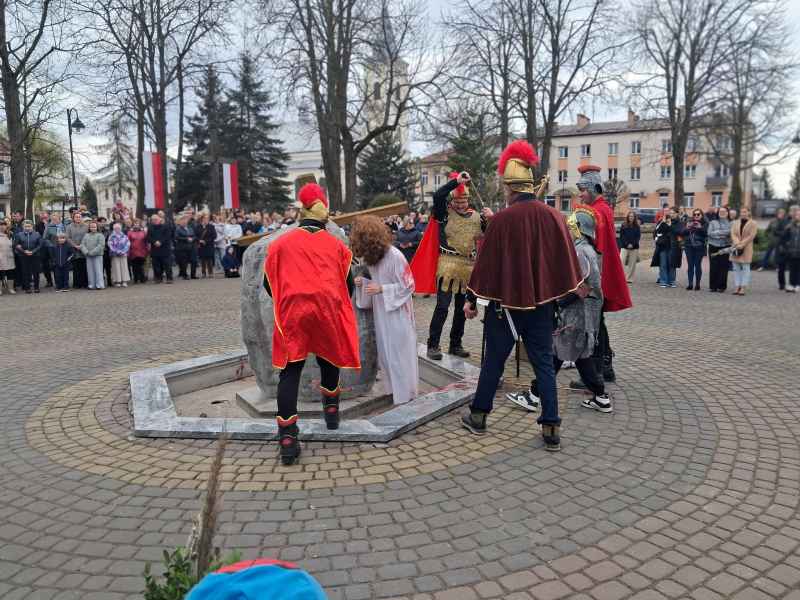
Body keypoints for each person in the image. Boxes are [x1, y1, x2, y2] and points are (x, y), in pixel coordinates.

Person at [460, 140, 583, 451]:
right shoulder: (554, 216)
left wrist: (471, 299)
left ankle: (478, 415)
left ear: (510, 187)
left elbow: (486, 264)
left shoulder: (501, 220)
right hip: (542, 306)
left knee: (493, 362)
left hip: (505, 308)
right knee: (544, 364)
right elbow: (562, 260)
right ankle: (551, 427)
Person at [264, 183, 360, 466]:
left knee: (290, 370)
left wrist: (287, 300)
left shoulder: (280, 244)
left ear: (301, 211)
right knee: (329, 359)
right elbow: (348, 285)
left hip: (293, 312)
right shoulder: (337, 246)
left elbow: (269, 283)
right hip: (326, 310)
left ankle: (287, 437)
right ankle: (331, 414)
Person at [509, 206, 611, 414]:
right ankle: (601, 397)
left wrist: (558, 303)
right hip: (580, 314)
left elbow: (581, 287)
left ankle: (534, 396)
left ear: (578, 228)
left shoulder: (581, 252)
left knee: (556, 353)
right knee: (580, 357)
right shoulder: (586, 249)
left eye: (570, 227)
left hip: (577, 314)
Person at [411, 172, 492, 361]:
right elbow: (438, 195)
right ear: (452, 201)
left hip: (468, 267)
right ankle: (433, 344)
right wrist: (456, 182)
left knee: (461, 310)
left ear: (468, 201)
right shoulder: (444, 214)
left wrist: (491, 218)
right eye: (457, 201)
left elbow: (491, 234)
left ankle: (455, 344)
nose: (461, 205)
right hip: (447, 265)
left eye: (464, 201)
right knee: (442, 307)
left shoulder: (477, 217)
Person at [572, 164, 632, 383]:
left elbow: (594, 249)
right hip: (599, 276)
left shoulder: (597, 212)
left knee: (593, 325)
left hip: (595, 277)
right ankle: (605, 367)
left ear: (593, 188)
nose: (580, 194)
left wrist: (587, 281)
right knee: (598, 322)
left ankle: (596, 373)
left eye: (583, 190)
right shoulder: (601, 209)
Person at [352, 216, 418, 405]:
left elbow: (409, 285)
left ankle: (406, 394)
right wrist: (363, 283)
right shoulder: (373, 258)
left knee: (399, 353)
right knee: (386, 353)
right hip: (382, 312)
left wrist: (382, 289)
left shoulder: (395, 256)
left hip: (398, 312)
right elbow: (376, 283)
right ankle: (394, 391)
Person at [730, 206, 757, 296]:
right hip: (736, 247)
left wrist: (742, 244)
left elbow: (751, 235)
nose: (743, 214)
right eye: (741, 212)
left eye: (745, 212)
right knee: (736, 268)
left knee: (745, 268)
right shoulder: (735, 222)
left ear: (749, 212)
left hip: (747, 247)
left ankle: (743, 287)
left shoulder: (753, 223)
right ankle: (737, 285)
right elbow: (733, 233)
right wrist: (737, 243)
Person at [652, 208, 681, 288]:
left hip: (673, 247)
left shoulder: (678, 222)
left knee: (672, 264)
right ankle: (663, 281)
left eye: (673, 213)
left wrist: (670, 225)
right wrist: (663, 222)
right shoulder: (663, 221)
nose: (671, 214)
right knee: (663, 264)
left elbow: (679, 232)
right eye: (670, 213)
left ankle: (671, 281)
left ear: (677, 214)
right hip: (663, 246)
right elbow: (658, 231)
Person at [14, 220, 44, 293]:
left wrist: (32, 251)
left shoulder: (37, 234)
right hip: (23, 256)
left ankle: (36, 287)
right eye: (25, 226)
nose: (27, 228)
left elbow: (40, 245)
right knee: (25, 272)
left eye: (29, 226)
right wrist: (24, 251)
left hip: (35, 256)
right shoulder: (19, 235)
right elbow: (16, 245)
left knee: (36, 272)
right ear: (23, 227)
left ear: (32, 227)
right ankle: (27, 288)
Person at [707, 206, 732, 292]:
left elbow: (730, 233)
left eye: (724, 211)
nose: (722, 213)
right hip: (713, 246)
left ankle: (721, 287)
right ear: (718, 213)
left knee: (723, 267)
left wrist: (717, 233)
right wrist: (723, 234)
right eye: (720, 211)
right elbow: (709, 233)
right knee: (713, 266)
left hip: (725, 246)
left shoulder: (731, 223)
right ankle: (713, 286)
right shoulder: (712, 222)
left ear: (727, 213)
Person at [682, 209, 707, 290]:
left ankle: (697, 284)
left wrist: (700, 227)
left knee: (697, 265)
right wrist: (687, 227)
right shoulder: (689, 222)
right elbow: (682, 233)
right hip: (689, 246)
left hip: (699, 247)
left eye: (698, 214)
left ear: (701, 215)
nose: (696, 216)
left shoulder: (705, 223)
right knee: (690, 265)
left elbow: (706, 234)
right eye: (694, 214)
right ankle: (690, 284)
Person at [147, 214, 174, 283]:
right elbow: (148, 237)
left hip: (165, 249)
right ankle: (158, 278)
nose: (155, 221)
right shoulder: (150, 228)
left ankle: (169, 278)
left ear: (159, 219)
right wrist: (154, 242)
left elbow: (167, 236)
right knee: (156, 265)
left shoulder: (166, 226)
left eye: (156, 219)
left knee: (167, 265)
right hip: (155, 249)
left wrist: (160, 242)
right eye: (153, 220)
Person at [81, 221, 107, 290]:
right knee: (90, 271)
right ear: (89, 228)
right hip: (88, 255)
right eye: (91, 227)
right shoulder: (86, 235)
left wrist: (92, 252)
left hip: (97, 255)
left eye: (94, 227)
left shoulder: (100, 235)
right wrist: (86, 252)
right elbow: (82, 245)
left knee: (98, 270)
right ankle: (91, 285)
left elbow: (101, 245)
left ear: (97, 227)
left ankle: (99, 285)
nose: (93, 228)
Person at [66, 212, 89, 289]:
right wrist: (75, 245)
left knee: (84, 266)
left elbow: (87, 236)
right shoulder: (69, 227)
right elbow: (68, 237)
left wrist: (81, 245)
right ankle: (77, 284)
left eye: (79, 217)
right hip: (74, 249)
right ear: (73, 218)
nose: (78, 218)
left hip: (84, 248)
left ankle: (85, 283)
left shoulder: (86, 226)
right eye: (76, 217)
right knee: (76, 267)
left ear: (81, 218)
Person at [780, 208, 800, 293]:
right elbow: (783, 238)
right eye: (797, 215)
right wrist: (786, 246)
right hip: (791, 251)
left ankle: (798, 285)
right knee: (792, 269)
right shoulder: (789, 226)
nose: (798, 216)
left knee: (798, 269)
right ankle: (792, 284)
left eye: (799, 215)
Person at [619, 211, 641, 283]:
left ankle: (629, 279)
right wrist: (627, 244)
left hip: (634, 247)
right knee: (621, 261)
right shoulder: (623, 225)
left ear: (634, 217)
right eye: (630, 216)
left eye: (632, 216)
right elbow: (622, 236)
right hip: (624, 246)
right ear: (628, 217)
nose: (631, 217)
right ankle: (621, 278)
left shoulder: (637, 226)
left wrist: (632, 244)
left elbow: (638, 237)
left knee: (632, 264)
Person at [174, 214, 198, 280]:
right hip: (183, 247)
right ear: (180, 222)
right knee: (184, 262)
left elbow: (194, 236)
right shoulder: (178, 229)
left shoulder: (190, 228)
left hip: (192, 247)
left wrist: (192, 239)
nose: (184, 222)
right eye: (183, 220)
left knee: (194, 261)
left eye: (185, 220)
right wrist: (186, 239)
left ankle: (193, 275)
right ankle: (185, 275)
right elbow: (176, 237)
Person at [107, 222, 131, 288]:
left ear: (121, 229)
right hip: (115, 254)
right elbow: (110, 244)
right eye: (116, 228)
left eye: (118, 228)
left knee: (124, 267)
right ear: (114, 229)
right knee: (116, 268)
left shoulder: (124, 236)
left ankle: (124, 281)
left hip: (123, 254)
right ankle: (117, 281)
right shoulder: (111, 236)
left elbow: (128, 244)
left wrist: (123, 251)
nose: (117, 229)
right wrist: (116, 251)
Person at [35, 211, 54, 288]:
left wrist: (47, 226)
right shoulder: (38, 225)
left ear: (48, 216)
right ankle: (49, 281)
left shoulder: (53, 223)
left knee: (55, 263)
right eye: (42, 215)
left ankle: (58, 280)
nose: (43, 217)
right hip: (43, 247)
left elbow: (53, 234)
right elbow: (38, 235)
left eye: (45, 215)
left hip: (52, 246)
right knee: (45, 265)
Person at [127, 219, 149, 283]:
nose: (136, 225)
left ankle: (142, 278)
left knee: (141, 266)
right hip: (133, 252)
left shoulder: (143, 232)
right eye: (135, 223)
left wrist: (147, 249)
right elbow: (127, 242)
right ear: (133, 224)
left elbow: (146, 242)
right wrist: (128, 251)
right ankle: (136, 279)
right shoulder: (129, 232)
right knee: (134, 266)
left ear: (139, 224)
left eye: (137, 223)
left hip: (142, 251)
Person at [197, 214, 217, 278]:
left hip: (209, 245)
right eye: (204, 219)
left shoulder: (211, 226)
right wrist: (199, 240)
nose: (206, 220)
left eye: (207, 219)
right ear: (202, 220)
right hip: (201, 246)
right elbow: (195, 235)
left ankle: (210, 273)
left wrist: (206, 241)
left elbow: (214, 236)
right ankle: (203, 273)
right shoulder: (198, 226)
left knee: (209, 259)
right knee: (202, 260)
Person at [0, 221, 16, 295]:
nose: (2, 227)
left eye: (4, 225)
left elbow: (14, 244)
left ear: (6, 226)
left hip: (9, 257)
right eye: (1, 225)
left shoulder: (10, 234)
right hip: (0, 257)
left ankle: (11, 288)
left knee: (10, 273)